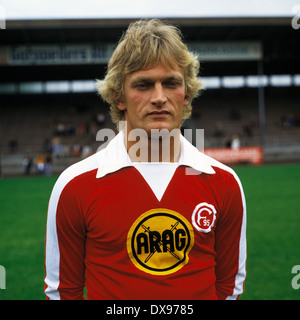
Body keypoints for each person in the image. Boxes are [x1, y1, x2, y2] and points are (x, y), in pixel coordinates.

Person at [44, 19, 246, 300]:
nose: (159, 97)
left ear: (186, 94)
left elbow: (229, 285)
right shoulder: (74, 185)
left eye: (171, 83)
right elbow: (62, 291)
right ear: (119, 97)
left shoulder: (224, 183)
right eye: (144, 84)